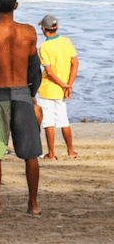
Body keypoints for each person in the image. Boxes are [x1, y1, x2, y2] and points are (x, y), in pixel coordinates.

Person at [0, 0, 42, 215]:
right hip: (23, 93)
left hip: (0, 94)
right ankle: (32, 206)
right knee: (31, 154)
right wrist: (32, 93)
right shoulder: (29, 31)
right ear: (16, 5)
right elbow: (34, 66)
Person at [37, 15, 79, 159]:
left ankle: (52, 153)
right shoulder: (67, 41)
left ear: (43, 28)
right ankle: (71, 151)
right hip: (63, 90)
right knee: (64, 121)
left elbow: (48, 72)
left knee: (48, 122)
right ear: (57, 27)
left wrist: (63, 84)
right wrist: (69, 85)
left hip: (48, 89)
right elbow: (75, 63)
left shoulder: (44, 47)